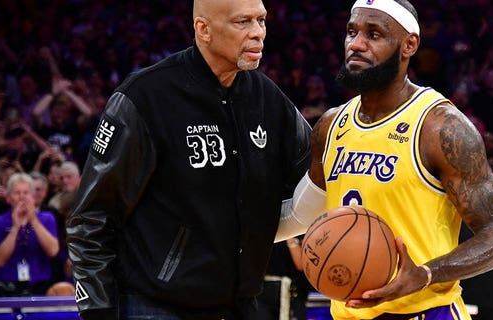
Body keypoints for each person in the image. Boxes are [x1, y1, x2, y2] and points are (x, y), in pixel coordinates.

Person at [66, 0, 311, 319]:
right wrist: (96, 310)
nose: (258, 33)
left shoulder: (268, 98)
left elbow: (317, 169)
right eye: (243, 22)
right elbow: (91, 217)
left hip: (241, 304)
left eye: (261, 20)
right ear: (203, 29)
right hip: (156, 305)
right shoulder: (145, 97)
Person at [286, 1, 493, 318]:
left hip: (426, 313)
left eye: (374, 34)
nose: (356, 44)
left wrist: (425, 274)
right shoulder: (329, 126)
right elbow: (300, 214)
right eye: (351, 32)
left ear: (409, 44)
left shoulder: (439, 127)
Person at [0, 172, 59, 296]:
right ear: (8, 198)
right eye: (17, 193)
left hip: (40, 286)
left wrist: (34, 220)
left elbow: (53, 251)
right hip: (5, 287)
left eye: (26, 193)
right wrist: (15, 228)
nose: (22, 197)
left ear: (33, 196)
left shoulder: (47, 219)